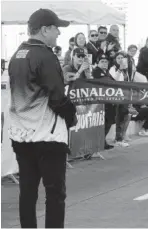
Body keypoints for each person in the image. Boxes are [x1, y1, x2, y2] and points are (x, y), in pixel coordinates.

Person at [7, 9, 76, 228]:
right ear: (45, 29)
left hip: (21, 135)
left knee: (27, 192)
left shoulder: (17, 54)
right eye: (56, 28)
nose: (59, 34)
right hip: (47, 136)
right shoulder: (45, 55)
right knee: (55, 193)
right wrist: (72, 116)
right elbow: (57, 98)